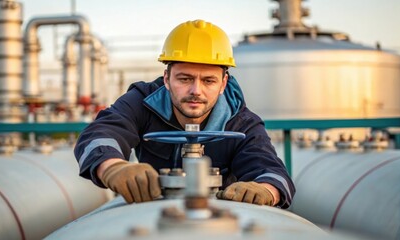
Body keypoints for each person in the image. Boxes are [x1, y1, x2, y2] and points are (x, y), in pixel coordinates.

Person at [74, 19, 295, 208]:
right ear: (167, 79)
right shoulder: (142, 102)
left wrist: (266, 190)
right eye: (185, 79)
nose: (195, 91)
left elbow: (274, 173)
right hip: (151, 213)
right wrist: (112, 167)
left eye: (208, 81)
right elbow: (100, 134)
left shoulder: (242, 124)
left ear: (223, 84)